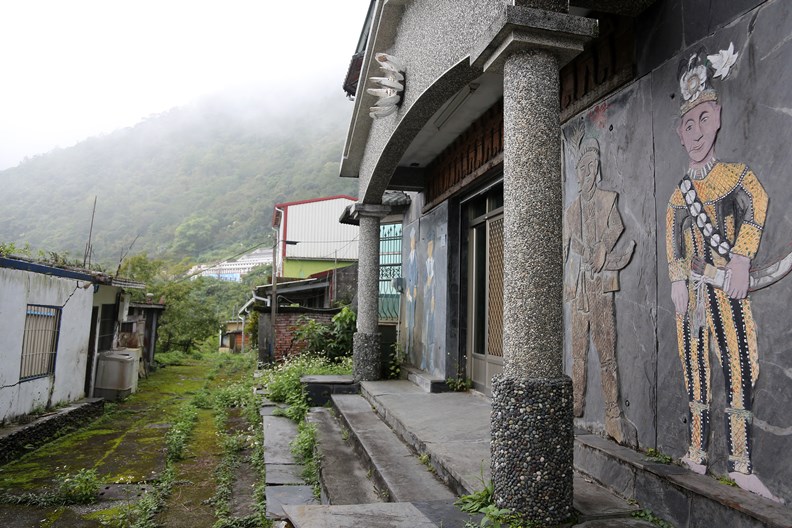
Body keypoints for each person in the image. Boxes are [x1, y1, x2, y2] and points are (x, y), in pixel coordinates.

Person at [665, 47, 777, 501]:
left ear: (717, 117)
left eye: (702, 120)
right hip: (692, 293)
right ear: (680, 133)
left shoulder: (737, 175)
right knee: (694, 369)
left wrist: (744, 258)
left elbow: (759, 205)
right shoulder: (679, 194)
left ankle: (742, 465)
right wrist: (675, 277)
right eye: (687, 126)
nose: (696, 133)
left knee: (739, 366)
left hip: (728, 289)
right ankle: (695, 452)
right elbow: (673, 236)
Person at [564, 136, 636, 446]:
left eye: (586, 169)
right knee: (577, 351)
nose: (582, 175)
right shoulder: (571, 209)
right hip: (578, 286)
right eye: (579, 170)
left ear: (594, 169)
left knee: (606, 352)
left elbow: (617, 226)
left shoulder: (608, 199)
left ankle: (612, 416)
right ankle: (576, 403)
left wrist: (604, 249)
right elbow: (564, 246)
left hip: (601, 286)